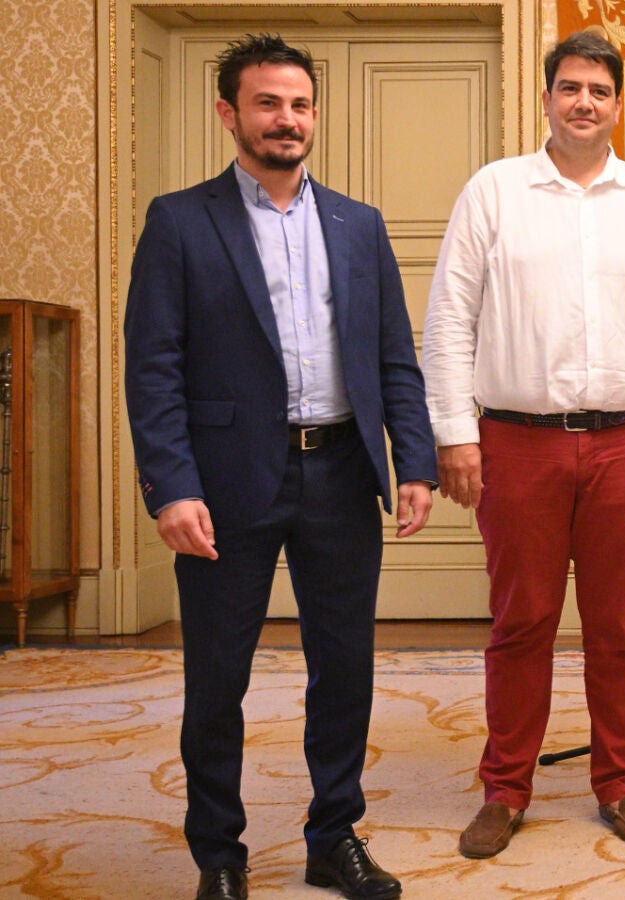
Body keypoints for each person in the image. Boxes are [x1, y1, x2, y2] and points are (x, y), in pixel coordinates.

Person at [124, 33, 436, 900]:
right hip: (224, 486)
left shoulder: (358, 225)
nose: (286, 119)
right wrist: (171, 486)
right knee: (217, 679)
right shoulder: (180, 222)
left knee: (344, 669)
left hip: (341, 475)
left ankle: (333, 837)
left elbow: (393, 356)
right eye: (267, 103)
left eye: (299, 104)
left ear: (314, 116)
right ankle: (219, 855)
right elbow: (153, 368)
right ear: (229, 114)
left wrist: (413, 461)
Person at [421, 31, 625, 858]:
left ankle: (621, 782)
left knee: (619, 627)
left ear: (618, 104)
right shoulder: (494, 193)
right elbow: (448, 321)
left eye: (599, 90)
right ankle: (505, 788)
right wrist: (454, 432)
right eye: (570, 88)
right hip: (516, 443)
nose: (584, 102)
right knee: (521, 624)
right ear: (547, 98)